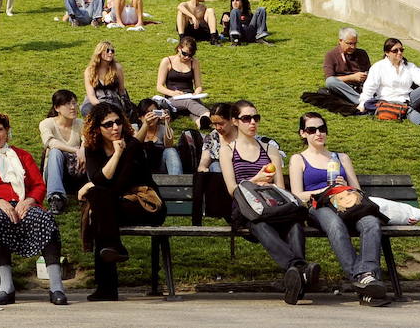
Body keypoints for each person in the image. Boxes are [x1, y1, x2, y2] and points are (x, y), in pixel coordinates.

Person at [219, 99, 314, 304]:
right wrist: (256, 180)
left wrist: (268, 186)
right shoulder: (227, 150)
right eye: (246, 118)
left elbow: (280, 187)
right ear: (235, 121)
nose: (252, 122)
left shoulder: (269, 149)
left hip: (273, 207)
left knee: (295, 223)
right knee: (258, 223)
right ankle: (300, 268)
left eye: (256, 118)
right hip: (247, 210)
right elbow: (232, 189)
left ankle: (295, 279)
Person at [289, 112, 389, 306]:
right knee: (335, 225)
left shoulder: (341, 157)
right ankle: (363, 279)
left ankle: (366, 277)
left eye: (322, 129)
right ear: (303, 133)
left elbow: (357, 190)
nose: (318, 133)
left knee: (371, 223)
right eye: (312, 130)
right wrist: (324, 190)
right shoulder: (298, 159)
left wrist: (345, 186)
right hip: (318, 206)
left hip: (347, 205)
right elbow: (297, 194)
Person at [77, 100, 166, 301]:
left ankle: (107, 287)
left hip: (144, 205)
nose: (115, 127)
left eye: (117, 122)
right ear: (97, 128)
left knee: (99, 204)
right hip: (114, 206)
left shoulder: (133, 145)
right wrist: (117, 154)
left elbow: (121, 184)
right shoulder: (94, 149)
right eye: (108, 124)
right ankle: (115, 248)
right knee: (100, 210)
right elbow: (99, 178)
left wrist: (91, 185)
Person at [0, 111, 66, 305]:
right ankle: (6, 287)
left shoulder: (20, 154)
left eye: (0, 129)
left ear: (7, 131)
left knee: (45, 219)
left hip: (25, 204)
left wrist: (30, 200)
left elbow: (39, 184)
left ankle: (56, 286)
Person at [39, 89, 85, 216]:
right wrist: (77, 149)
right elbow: (50, 143)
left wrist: (83, 150)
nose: (73, 107)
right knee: (55, 152)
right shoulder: (47, 124)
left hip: (75, 172)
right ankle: (56, 197)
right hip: (54, 174)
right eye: (68, 104)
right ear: (57, 108)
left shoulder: (81, 124)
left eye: (75, 103)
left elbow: (87, 141)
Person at [156, 37, 210, 129]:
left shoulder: (194, 62)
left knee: (192, 107)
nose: (187, 57)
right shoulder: (167, 61)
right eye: (185, 54)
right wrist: (173, 93)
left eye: (190, 55)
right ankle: (207, 114)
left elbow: (198, 85)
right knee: (189, 103)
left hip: (189, 95)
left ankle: (201, 122)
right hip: (173, 98)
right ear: (179, 48)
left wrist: (197, 92)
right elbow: (159, 87)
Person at [322, 28, 371, 106]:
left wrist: (366, 75)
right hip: (344, 86)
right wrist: (352, 77)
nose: (353, 47)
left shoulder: (362, 53)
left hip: (362, 85)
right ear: (340, 41)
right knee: (330, 82)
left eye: (355, 43)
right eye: (349, 43)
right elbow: (329, 79)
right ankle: (361, 101)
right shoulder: (331, 55)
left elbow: (369, 71)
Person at [82, 40, 133, 114]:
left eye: (112, 51)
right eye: (107, 50)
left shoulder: (117, 68)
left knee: (114, 111)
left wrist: (125, 103)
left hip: (112, 100)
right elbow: (91, 95)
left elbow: (121, 90)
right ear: (99, 52)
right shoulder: (89, 70)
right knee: (88, 110)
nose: (110, 53)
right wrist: (102, 106)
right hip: (95, 100)